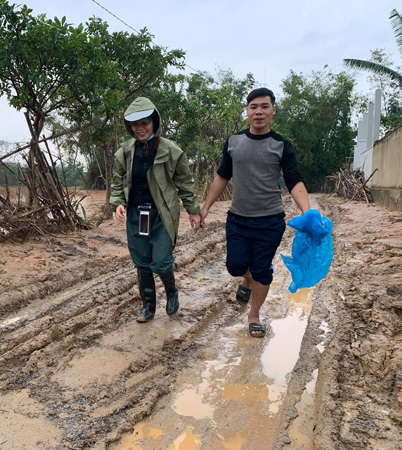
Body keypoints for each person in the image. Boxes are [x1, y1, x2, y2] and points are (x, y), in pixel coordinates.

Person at [199, 87, 309, 338]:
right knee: (236, 266)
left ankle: (254, 315)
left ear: (273, 110)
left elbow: (294, 180)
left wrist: (307, 212)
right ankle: (246, 280)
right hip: (238, 218)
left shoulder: (281, 145)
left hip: (270, 220)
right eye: (253, 107)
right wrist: (206, 207)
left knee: (262, 269)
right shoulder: (234, 142)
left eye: (264, 106)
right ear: (247, 111)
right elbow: (222, 177)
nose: (259, 111)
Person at [110, 97, 201, 323]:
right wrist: (118, 202)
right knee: (141, 261)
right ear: (129, 126)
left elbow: (185, 183)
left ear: (154, 121)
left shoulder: (171, 151)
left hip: (162, 213)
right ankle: (148, 306)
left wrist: (193, 210)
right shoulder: (125, 152)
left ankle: (171, 292)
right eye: (135, 124)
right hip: (135, 214)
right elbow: (117, 181)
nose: (140, 128)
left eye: (145, 122)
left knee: (160, 260)